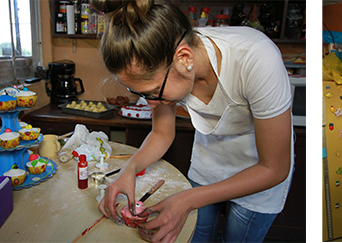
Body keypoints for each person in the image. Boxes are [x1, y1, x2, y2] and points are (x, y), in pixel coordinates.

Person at [90, 0, 294, 242]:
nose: (149, 104)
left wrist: (186, 199)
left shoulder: (257, 58)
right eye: (141, 94)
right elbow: (161, 134)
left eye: (153, 92)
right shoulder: (166, 59)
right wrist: (130, 169)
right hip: (209, 161)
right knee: (195, 236)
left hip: (260, 170)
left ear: (184, 58)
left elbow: (274, 168)